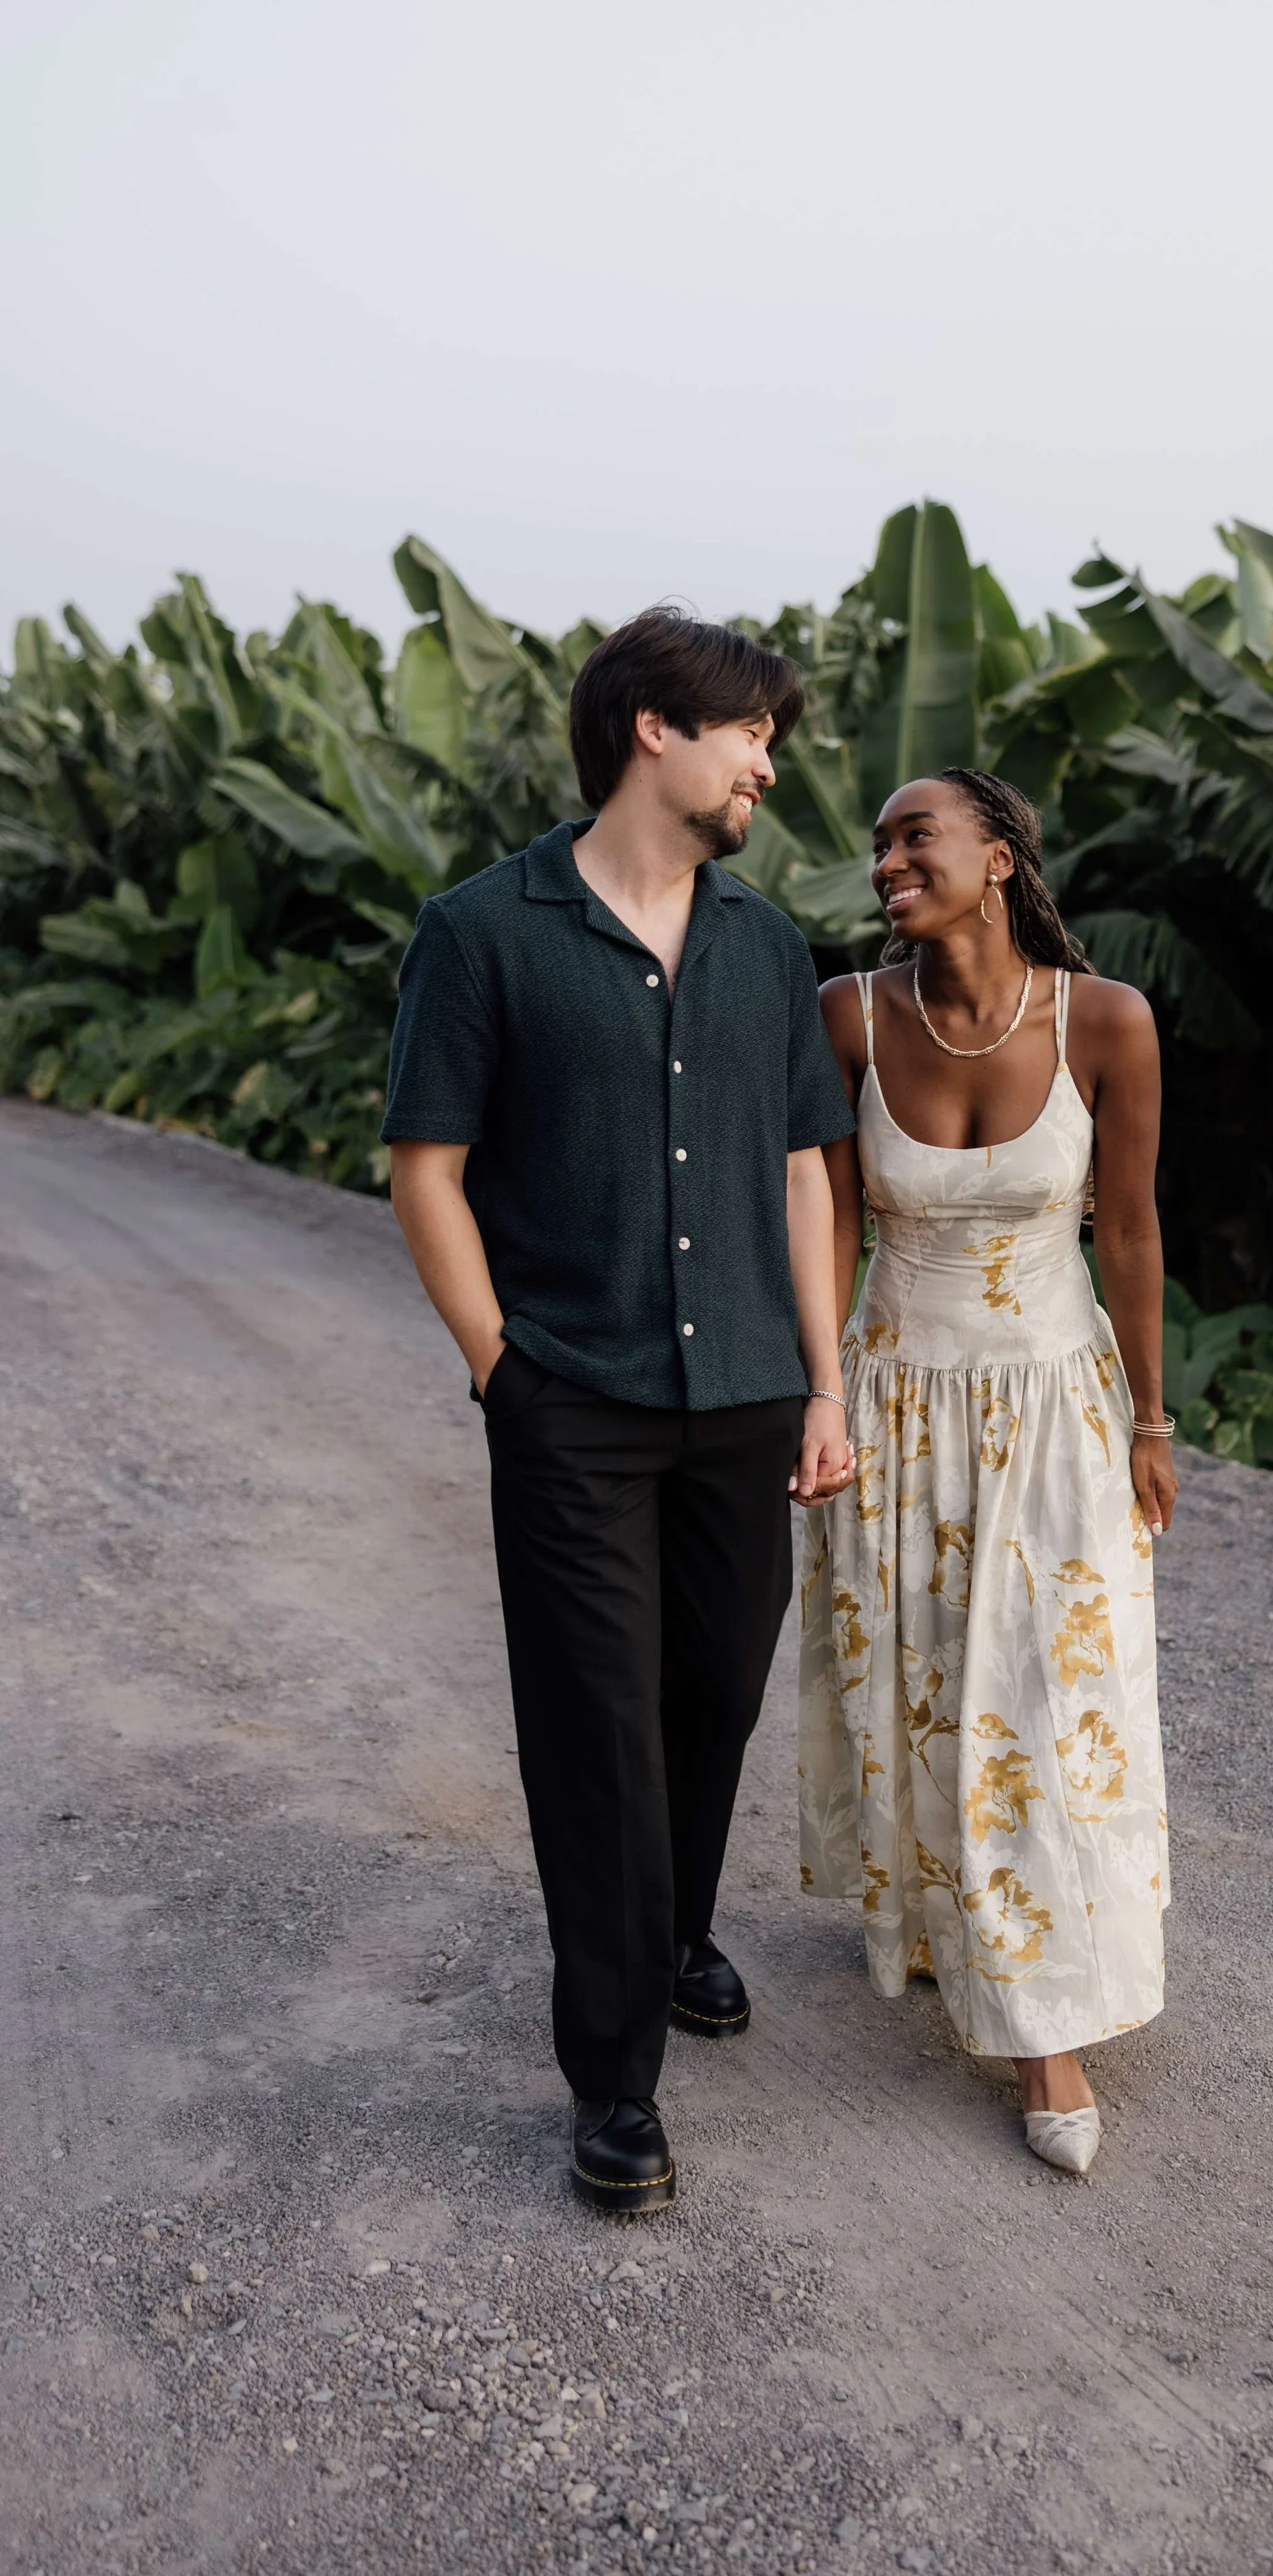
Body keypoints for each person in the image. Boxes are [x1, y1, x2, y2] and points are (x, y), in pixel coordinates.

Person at [383, 608, 856, 2213]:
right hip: (569, 1400)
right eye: (748, 735)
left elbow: (804, 1174)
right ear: (653, 728)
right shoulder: (481, 932)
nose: (765, 765)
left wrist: (823, 1381)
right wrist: (498, 1371)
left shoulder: (766, 945)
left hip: (744, 1395)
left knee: (711, 1694)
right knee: (596, 1728)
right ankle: (613, 2082)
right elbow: (425, 1169)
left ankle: (670, 1934)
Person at [798, 767, 1175, 2177]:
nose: (888, 858)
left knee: (1038, 1696)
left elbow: (1127, 1233)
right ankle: (939, 1923)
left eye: (917, 834)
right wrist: (819, 1396)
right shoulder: (846, 1015)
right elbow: (824, 1224)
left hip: (1053, 1408)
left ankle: (1044, 2035)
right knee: (924, 1683)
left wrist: (1150, 1419)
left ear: (1001, 856)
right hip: (895, 1402)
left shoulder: (1107, 1023)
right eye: (879, 843)